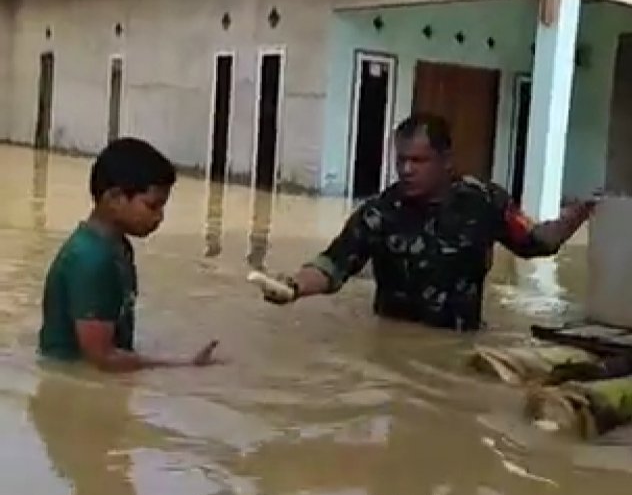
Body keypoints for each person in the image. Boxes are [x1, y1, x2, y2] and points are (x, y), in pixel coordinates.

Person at [262, 113, 596, 331]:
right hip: (392, 352)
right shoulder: (380, 212)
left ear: (446, 161)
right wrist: (293, 287)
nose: (406, 169)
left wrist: (579, 213)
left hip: (458, 347)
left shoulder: (484, 202)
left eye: (418, 160)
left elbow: (538, 241)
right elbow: (332, 266)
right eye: (401, 160)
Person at [38, 137, 220, 371]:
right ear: (114, 198)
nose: (160, 217)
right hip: (70, 386)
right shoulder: (91, 260)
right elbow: (102, 359)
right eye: (152, 206)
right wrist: (183, 365)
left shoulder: (118, 247)